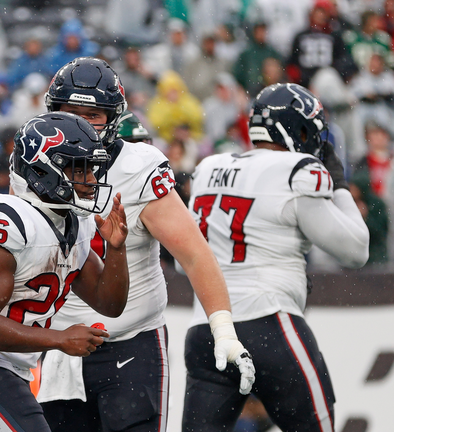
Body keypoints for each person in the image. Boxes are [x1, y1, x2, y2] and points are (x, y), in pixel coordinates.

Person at [29, 57, 254, 432]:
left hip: (129, 344)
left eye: (93, 114)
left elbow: (195, 255)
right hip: (57, 348)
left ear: (114, 119)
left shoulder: (140, 168)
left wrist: (224, 329)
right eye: (70, 111)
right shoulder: (32, 160)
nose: (80, 124)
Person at [182, 83, 369, 431]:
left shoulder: (208, 167)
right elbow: (356, 250)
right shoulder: (297, 169)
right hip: (268, 324)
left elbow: (185, 259)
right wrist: (340, 186)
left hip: (207, 329)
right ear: (298, 130)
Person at [0, 111, 130, 431]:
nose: (90, 179)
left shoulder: (74, 223)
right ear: (41, 170)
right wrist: (58, 339)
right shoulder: (10, 220)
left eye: (92, 168)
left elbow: (109, 303)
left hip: (12, 369)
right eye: (79, 168)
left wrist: (117, 249)